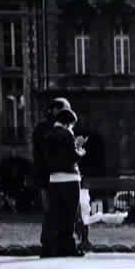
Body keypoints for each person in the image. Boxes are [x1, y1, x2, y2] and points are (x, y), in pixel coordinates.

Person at [40, 107, 86, 258]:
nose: (72, 127)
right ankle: (69, 247)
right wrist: (80, 151)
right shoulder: (67, 134)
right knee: (70, 215)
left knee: (56, 214)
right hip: (70, 178)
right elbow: (72, 156)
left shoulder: (47, 135)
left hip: (54, 179)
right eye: (72, 124)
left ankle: (54, 247)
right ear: (68, 123)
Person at [33, 97, 70, 255]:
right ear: (55, 110)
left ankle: (53, 244)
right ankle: (49, 245)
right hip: (49, 176)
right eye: (65, 110)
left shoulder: (46, 128)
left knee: (55, 211)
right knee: (51, 211)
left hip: (49, 176)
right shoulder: (48, 129)